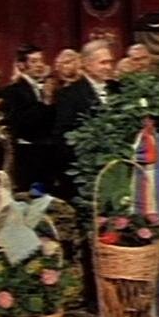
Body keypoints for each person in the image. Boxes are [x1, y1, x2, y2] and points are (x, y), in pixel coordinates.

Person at [52, 39, 120, 199]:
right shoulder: (69, 95)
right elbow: (63, 136)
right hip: (86, 174)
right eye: (103, 63)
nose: (108, 67)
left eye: (110, 62)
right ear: (87, 64)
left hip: (118, 169)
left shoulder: (119, 89)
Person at [0, 44, 56, 193]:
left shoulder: (49, 89)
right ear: (21, 65)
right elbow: (23, 123)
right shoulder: (12, 91)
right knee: (32, 197)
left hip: (48, 153)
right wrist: (45, 102)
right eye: (34, 61)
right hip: (27, 155)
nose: (39, 65)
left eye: (41, 61)